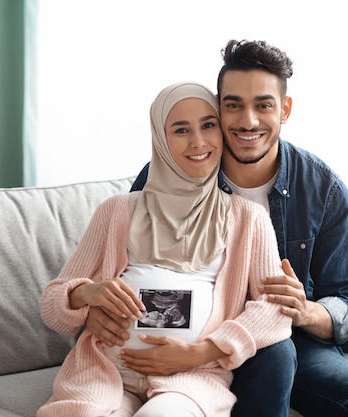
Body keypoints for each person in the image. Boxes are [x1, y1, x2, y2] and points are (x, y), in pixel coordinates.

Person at [86, 40, 348, 417]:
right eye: (233, 105)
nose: (248, 121)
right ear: (219, 107)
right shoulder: (171, 174)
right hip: (198, 330)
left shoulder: (322, 189)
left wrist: (306, 311)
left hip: (290, 339)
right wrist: (93, 310)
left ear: (285, 109)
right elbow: (121, 266)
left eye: (263, 105)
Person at [37, 81, 293, 417]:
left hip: (191, 378)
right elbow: (52, 307)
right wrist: (86, 293)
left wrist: (203, 351)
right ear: (160, 138)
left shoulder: (248, 218)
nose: (198, 142)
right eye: (181, 130)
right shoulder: (116, 210)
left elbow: (274, 310)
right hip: (104, 372)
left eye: (208, 126)